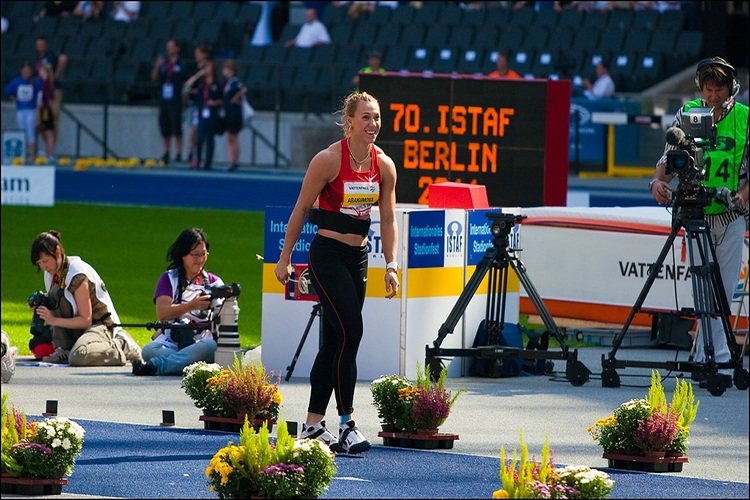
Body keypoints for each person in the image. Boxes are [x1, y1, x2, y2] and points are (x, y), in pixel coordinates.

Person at [274, 91, 399, 454]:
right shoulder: (328, 160)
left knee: (334, 341)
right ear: (349, 121)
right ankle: (347, 424)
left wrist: (391, 265)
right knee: (352, 331)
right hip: (326, 254)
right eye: (365, 118)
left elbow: (388, 219)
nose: (373, 124)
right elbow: (299, 210)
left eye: (376, 117)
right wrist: (284, 259)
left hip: (358, 258)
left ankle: (313, 425)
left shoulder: (385, 165)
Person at [649, 57, 749, 388]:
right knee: (705, 289)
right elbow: (669, 155)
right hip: (695, 212)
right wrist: (656, 181)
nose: (713, 96)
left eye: (718, 89)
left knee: (723, 291)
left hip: (731, 214)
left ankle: (714, 356)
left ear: (731, 88)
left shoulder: (745, 118)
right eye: (707, 89)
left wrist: (743, 197)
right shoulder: (689, 113)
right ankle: (715, 357)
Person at [29, 231, 141, 366]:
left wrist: (53, 320)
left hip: (99, 325)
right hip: (74, 330)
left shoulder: (77, 273)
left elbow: (86, 320)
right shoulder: (51, 273)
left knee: (79, 357)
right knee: (38, 344)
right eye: (40, 263)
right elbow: (60, 305)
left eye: (46, 261)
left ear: (58, 252)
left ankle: (122, 344)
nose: (44, 267)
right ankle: (64, 349)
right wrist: (42, 310)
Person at [133, 228, 222, 376]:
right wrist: (191, 305)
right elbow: (162, 313)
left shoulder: (215, 282)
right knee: (149, 349)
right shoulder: (169, 278)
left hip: (201, 341)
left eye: (203, 254)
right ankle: (191, 364)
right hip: (172, 341)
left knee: (210, 346)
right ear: (183, 254)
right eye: (195, 255)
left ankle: (157, 366)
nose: (200, 260)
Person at [151, 39, 188, 165]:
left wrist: (185, 100)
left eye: (172, 47)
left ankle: (179, 153)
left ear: (177, 48)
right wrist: (157, 65)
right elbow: (154, 78)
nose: (169, 49)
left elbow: (185, 84)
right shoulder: (164, 64)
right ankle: (167, 152)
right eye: (168, 47)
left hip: (176, 100)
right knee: (165, 126)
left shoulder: (181, 65)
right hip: (164, 100)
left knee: (176, 127)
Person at [184, 60, 223, 170]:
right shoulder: (201, 84)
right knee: (200, 137)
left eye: (208, 68)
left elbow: (222, 100)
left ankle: (208, 162)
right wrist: (198, 75)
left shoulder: (217, 84)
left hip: (212, 114)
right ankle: (198, 160)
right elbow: (187, 86)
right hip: (201, 113)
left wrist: (214, 103)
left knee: (210, 138)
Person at [4, 62, 42, 164]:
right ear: (21, 71)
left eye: (29, 71)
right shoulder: (17, 82)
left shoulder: (33, 83)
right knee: (21, 131)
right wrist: (13, 98)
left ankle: (32, 156)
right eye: (25, 71)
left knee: (30, 132)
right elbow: (8, 90)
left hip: (30, 110)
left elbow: (39, 94)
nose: (27, 73)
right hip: (20, 111)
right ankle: (22, 155)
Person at [34, 36, 67, 149]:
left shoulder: (51, 56)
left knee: (53, 121)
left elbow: (63, 58)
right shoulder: (38, 59)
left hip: (53, 92)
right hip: (42, 94)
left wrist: (56, 75)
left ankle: (51, 152)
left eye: (42, 44)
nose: (40, 47)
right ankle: (49, 147)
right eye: (38, 45)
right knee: (39, 124)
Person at [187, 45, 212, 165]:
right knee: (195, 131)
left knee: (204, 133)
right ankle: (193, 153)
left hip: (207, 106)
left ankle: (203, 157)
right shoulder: (195, 70)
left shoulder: (211, 69)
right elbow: (187, 87)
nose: (196, 56)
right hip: (197, 104)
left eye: (199, 53)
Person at [221, 59, 247, 172]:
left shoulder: (235, 81)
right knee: (230, 137)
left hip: (234, 112)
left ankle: (234, 160)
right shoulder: (227, 82)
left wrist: (235, 98)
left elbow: (243, 89)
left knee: (233, 136)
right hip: (228, 112)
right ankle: (231, 160)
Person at [37, 63, 57, 163]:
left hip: (46, 110)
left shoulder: (47, 83)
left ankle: (50, 154)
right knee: (44, 130)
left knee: (49, 132)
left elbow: (49, 99)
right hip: (43, 109)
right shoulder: (43, 82)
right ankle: (48, 151)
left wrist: (53, 111)